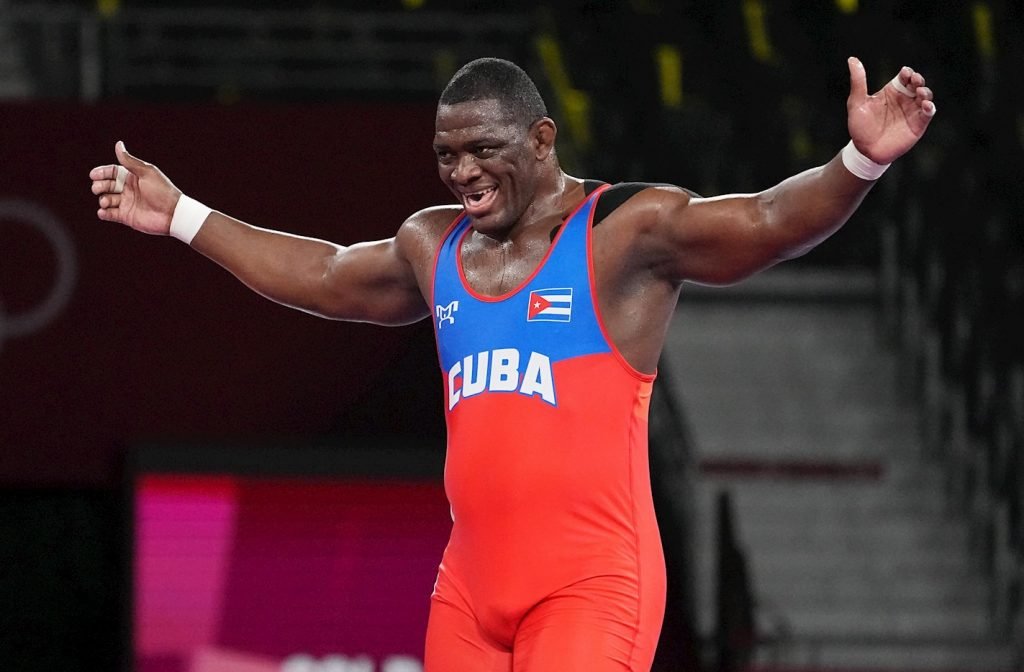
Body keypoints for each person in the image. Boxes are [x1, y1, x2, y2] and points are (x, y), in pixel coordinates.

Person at [90, 56, 935, 671]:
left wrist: (859, 161)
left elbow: (763, 222)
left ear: (540, 138)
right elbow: (325, 276)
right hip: (470, 590)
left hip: (593, 586)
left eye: (482, 150)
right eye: (446, 155)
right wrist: (184, 217)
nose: (462, 172)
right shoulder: (435, 244)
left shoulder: (623, 235)